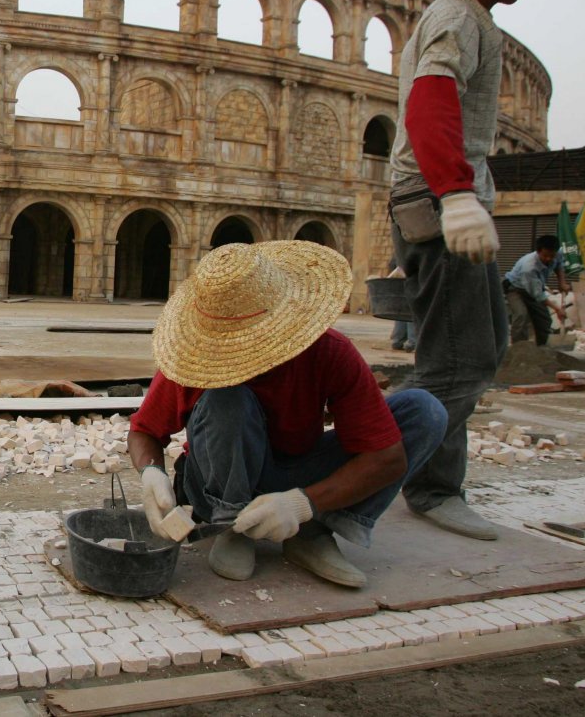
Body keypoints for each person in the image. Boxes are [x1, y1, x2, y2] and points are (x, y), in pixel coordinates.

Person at [387, 0, 585, 541]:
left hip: (441, 198)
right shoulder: (461, 18)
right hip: (438, 201)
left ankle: (403, 470)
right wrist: (454, 194)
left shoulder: (463, 18)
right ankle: (407, 482)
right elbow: (429, 101)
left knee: (480, 349)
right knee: (457, 360)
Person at [129, 242, 446, 588]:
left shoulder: (328, 352)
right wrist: (151, 473)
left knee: (424, 412)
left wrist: (302, 505)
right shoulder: (195, 358)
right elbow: (144, 431)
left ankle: (313, 530)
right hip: (221, 478)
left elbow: (387, 457)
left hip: (299, 471)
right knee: (227, 397)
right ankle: (232, 526)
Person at [504, 234, 569, 345]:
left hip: (535, 287)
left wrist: (562, 282)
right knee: (521, 315)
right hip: (515, 289)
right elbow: (538, 295)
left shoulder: (557, 254)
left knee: (545, 318)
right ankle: (519, 349)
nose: (548, 259)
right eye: (545, 256)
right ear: (538, 251)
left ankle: (543, 348)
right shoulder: (529, 267)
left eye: (551, 256)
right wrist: (557, 309)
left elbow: (559, 265)